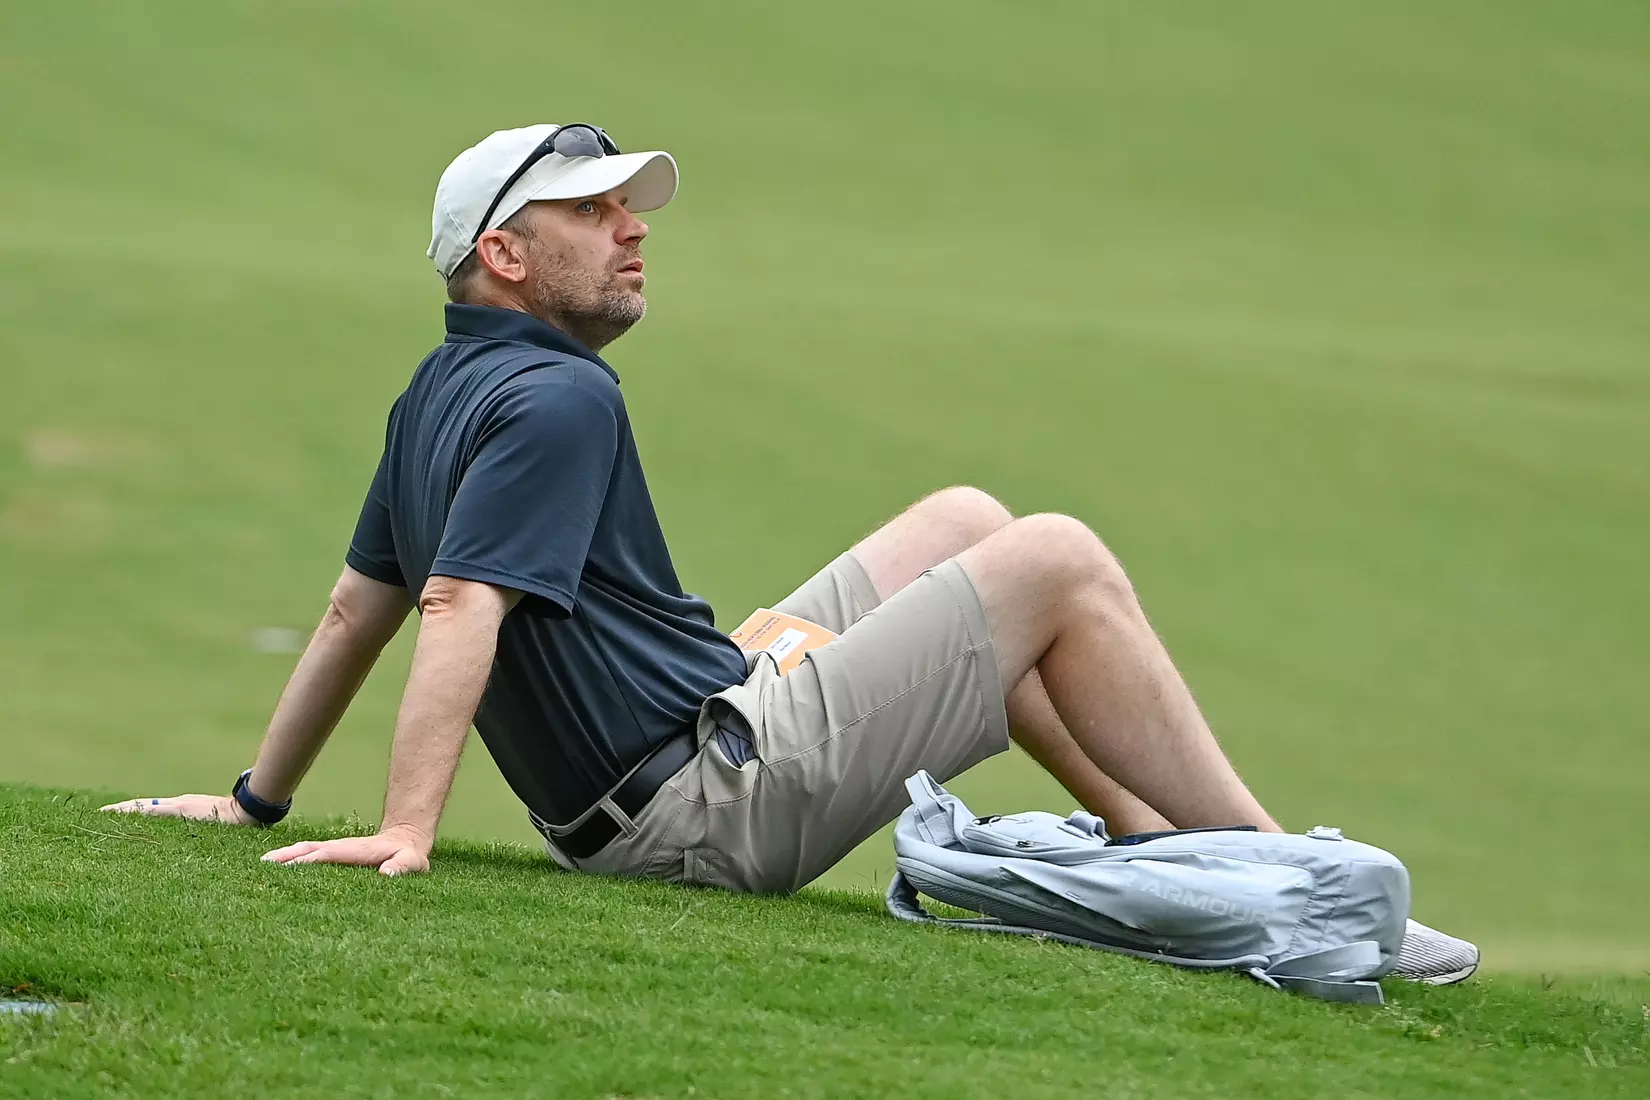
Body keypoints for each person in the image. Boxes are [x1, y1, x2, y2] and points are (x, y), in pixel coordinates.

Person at [104, 122, 1477, 984]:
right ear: (507, 256)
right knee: (1051, 558)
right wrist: (406, 830)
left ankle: (1148, 846)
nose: (632, 229)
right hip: (695, 809)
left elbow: (356, 607)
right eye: (593, 214)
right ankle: (1294, 886)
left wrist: (256, 799)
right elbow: (451, 603)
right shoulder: (561, 396)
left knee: (964, 523)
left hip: (709, 729)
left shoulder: (436, 388)